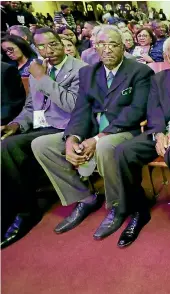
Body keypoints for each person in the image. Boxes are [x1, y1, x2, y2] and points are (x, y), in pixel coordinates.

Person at [31, 25, 155, 240]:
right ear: (94, 47)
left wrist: (97, 138)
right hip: (92, 130)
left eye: (113, 44)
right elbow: (81, 110)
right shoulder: (88, 73)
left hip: (124, 130)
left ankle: (117, 205)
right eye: (102, 45)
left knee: (106, 146)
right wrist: (73, 138)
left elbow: (136, 111)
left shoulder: (140, 71)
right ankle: (85, 197)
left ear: (124, 46)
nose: (107, 50)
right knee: (42, 145)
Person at [113, 36, 170, 248]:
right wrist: (158, 134)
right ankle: (138, 210)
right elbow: (153, 110)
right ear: (166, 57)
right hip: (163, 132)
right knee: (124, 151)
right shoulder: (158, 79)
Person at [1, 28, 86, 249]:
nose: (49, 51)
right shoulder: (38, 66)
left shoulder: (80, 69)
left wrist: (42, 78)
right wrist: (16, 124)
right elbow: (31, 106)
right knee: (5, 142)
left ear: (61, 43)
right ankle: (12, 210)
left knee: (9, 149)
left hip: (65, 127)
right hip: (40, 126)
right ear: (35, 48)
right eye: (42, 46)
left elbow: (72, 105)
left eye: (53, 44)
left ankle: (26, 212)